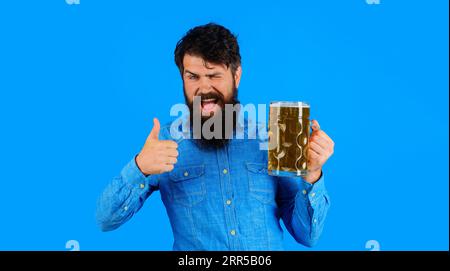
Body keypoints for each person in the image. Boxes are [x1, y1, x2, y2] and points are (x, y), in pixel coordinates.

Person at [96, 23, 334, 250]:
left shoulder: (272, 136)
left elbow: (308, 236)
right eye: (193, 77)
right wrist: (140, 167)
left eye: (214, 75)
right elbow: (105, 219)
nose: (204, 88)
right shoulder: (166, 140)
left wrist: (312, 174)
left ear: (236, 75)